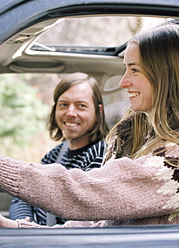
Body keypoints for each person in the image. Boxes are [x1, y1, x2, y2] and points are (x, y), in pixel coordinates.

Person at [0, 24, 179, 228]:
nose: (124, 81)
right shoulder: (134, 138)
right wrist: (11, 227)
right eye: (125, 69)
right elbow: (98, 225)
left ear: (165, 74)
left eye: (134, 70)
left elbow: (84, 191)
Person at [9, 72, 109, 225]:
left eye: (81, 106)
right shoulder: (55, 154)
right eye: (63, 105)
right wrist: (23, 221)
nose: (70, 113)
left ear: (98, 112)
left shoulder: (100, 153)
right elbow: (23, 195)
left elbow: (82, 211)